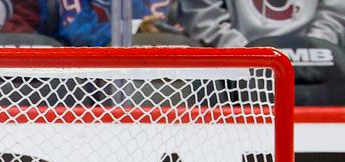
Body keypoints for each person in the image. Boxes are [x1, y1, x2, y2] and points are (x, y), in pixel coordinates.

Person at [176, 0, 345, 48]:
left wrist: (314, 49)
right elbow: (204, 18)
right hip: (237, 69)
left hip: (315, 67)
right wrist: (247, 56)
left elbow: (334, 14)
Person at [58, 0, 183, 46]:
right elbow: (78, 34)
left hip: (165, 65)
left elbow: (189, 27)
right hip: (99, 74)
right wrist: (135, 27)